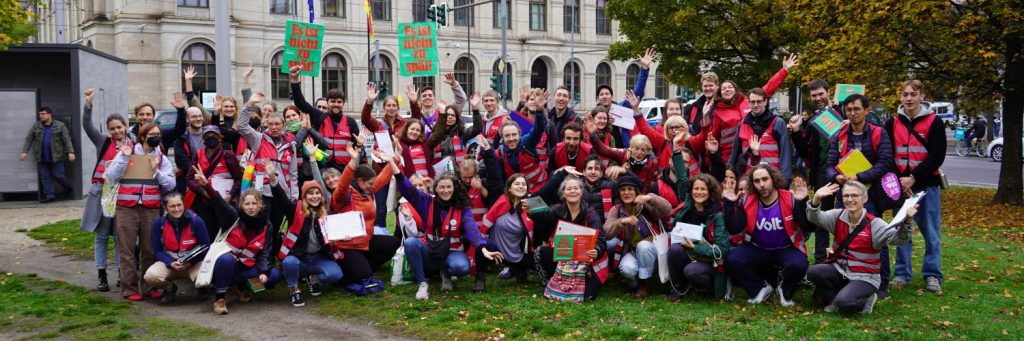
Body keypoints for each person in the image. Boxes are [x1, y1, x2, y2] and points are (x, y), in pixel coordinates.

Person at [389, 156, 500, 300]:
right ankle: (423, 284)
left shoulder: (462, 207)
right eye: (441, 187)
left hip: (453, 252)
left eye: (449, 187)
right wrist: (392, 163)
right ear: (435, 188)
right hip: (431, 250)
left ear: (454, 188)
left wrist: (483, 248)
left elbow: (471, 229)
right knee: (410, 243)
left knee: (461, 267)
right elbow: (406, 188)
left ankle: (446, 273)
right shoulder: (426, 202)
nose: (445, 190)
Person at [806, 181, 916, 314]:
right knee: (813, 272)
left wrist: (908, 221)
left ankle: (866, 299)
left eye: (854, 196)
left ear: (865, 198)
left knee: (844, 303)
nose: (850, 199)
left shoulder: (875, 224)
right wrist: (816, 198)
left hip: (865, 276)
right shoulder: (837, 216)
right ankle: (841, 295)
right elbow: (815, 218)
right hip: (840, 270)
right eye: (846, 196)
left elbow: (899, 239)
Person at [825, 94, 896, 296]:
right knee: (842, 236)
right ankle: (844, 276)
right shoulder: (839, 135)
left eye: (857, 109)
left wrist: (859, 176)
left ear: (866, 110)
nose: (853, 113)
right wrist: (835, 177)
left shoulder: (878, 133)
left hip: (869, 196)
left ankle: (881, 284)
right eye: (849, 110)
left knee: (876, 238)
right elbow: (829, 164)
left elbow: (885, 163)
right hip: (844, 195)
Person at [884, 80, 946, 294]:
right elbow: (887, 154)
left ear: (921, 95)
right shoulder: (892, 123)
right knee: (902, 230)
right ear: (900, 97)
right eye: (905, 94)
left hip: (927, 185)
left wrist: (913, 178)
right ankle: (902, 273)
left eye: (913, 94)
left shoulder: (935, 122)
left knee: (931, 232)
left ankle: (932, 275)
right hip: (901, 187)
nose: (909, 98)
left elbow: (937, 157)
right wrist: (902, 181)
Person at [105, 123, 177, 301]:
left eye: (158, 134)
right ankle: (129, 289)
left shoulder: (161, 157)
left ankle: (148, 287)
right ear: (143, 136)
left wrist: (157, 172)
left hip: (150, 209)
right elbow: (111, 175)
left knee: (149, 249)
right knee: (127, 250)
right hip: (127, 208)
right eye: (153, 134)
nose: (157, 137)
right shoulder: (128, 151)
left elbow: (170, 184)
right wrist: (124, 158)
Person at [722, 165, 811, 306]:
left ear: (773, 179)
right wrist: (728, 202)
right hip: (759, 248)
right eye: (757, 181)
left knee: (799, 264)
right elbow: (734, 229)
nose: (761, 185)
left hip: (786, 248)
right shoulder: (747, 200)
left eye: (765, 179)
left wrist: (803, 202)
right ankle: (760, 288)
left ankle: (784, 290)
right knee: (732, 259)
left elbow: (809, 227)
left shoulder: (789, 197)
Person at [270, 165, 345, 307]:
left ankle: (314, 276)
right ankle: (294, 288)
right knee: (289, 263)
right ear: (304, 196)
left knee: (335, 275)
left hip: (318, 258)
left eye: (317, 193)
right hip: (299, 258)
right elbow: (281, 198)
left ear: (322, 196)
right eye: (310, 193)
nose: (314, 196)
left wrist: (344, 236)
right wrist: (273, 178)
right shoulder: (295, 210)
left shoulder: (326, 214)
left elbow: (336, 233)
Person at [789, 79, 845, 265]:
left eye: (821, 94)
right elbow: (806, 152)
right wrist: (796, 132)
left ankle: (845, 258)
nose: (818, 98)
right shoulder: (814, 120)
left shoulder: (843, 112)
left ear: (828, 92)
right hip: (822, 175)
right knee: (822, 219)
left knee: (847, 218)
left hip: (847, 173)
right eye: (814, 95)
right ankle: (821, 260)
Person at [330, 144, 401, 287]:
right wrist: (353, 162)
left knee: (394, 243)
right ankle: (343, 273)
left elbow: (384, 177)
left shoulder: (367, 191)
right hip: (347, 246)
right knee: (363, 275)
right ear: (360, 181)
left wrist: (396, 157)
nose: (372, 185)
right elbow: (343, 183)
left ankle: (364, 265)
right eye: (370, 183)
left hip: (365, 242)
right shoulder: (343, 195)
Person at [80, 88, 129, 292]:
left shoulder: (132, 144)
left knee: (119, 236)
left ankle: (120, 272)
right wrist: (88, 105)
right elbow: (87, 126)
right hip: (102, 194)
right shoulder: (103, 142)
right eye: (112, 128)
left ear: (125, 127)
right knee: (101, 236)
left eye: (119, 127)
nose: (116, 131)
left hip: (123, 194)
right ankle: (102, 275)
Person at [204, 188, 282, 315]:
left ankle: (245, 288)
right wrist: (206, 185)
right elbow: (219, 203)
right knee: (226, 259)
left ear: (260, 205)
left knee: (274, 276)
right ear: (241, 205)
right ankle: (220, 298)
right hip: (227, 266)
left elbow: (266, 253)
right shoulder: (233, 218)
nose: (251, 207)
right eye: (247, 204)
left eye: (254, 203)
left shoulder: (267, 225)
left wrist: (263, 272)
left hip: (248, 269)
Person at [530, 175, 608, 301]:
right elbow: (536, 205)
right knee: (541, 252)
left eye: (576, 188)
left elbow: (601, 239)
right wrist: (559, 174)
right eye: (569, 189)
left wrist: (597, 250)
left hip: (586, 263)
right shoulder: (557, 210)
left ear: (581, 192)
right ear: (563, 194)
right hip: (563, 259)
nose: (572, 191)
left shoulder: (591, 214)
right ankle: (551, 282)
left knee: (587, 296)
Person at [666, 150, 731, 301]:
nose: (699, 192)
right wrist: (676, 151)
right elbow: (682, 178)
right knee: (674, 249)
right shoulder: (688, 205)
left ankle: (706, 287)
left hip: (708, 260)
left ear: (710, 192)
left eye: (703, 189)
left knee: (691, 271)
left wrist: (695, 248)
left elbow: (722, 250)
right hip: (687, 253)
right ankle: (678, 288)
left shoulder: (717, 215)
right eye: (696, 188)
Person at [603, 174, 672, 298]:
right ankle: (637, 282)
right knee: (626, 269)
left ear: (636, 191)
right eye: (623, 190)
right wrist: (621, 222)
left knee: (644, 246)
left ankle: (645, 284)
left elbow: (667, 209)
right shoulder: (617, 209)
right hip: (632, 251)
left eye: (630, 189)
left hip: (653, 251)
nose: (626, 193)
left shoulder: (646, 204)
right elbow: (606, 232)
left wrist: (649, 197)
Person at [143, 193, 210, 305]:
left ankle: (201, 288)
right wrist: (170, 263)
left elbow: (206, 246)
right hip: (171, 263)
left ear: (184, 205)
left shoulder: (196, 221)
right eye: (172, 206)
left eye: (179, 205)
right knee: (150, 276)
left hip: (192, 263)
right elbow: (157, 251)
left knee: (208, 273)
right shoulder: (158, 224)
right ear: (165, 208)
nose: (177, 209)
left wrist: (189, 263)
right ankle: (170, 289)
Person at [289, 65, 360, 170]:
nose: (336, 104)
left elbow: (356, 147)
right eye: (333, 101)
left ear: (343, 103)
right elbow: (300, 103)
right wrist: (295, 80)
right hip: (323, 167)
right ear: (328, 103)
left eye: (339, 102)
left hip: (345, 168)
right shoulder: (319, 117)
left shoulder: (351, 122)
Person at [476, 174, 535, 292]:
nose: (521, 186)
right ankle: (479, 279)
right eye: (517, 184)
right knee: (482, 243)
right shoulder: (501, 202)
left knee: (542, 265)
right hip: (496, 251)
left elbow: (547, 218)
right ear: (509, 188)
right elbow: (483, 227)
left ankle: (517, 270)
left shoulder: (531, 205)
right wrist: (479, 245)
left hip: (518, 254)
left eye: (524, 184)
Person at [185, 126, 242, 241]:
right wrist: (202, 191)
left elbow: (238, 179)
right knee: (206, 233)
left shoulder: (228, 155)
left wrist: (230, 195)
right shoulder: (198, 154)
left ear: (220, 138)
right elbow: (189, 179)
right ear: (203, 139)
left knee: (225, 233)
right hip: (204, 202)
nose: (211, 138)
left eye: (214, 136)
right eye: (207, 136)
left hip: (224, 201)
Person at [730, 88, 793, 182]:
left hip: (772, 178)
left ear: (765, 101)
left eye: (759, 101)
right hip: (749, 178)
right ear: (749, 102)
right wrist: (729, 173)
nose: (755, 105)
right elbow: (734, 153)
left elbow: (785, 153)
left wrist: (786, 180)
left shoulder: (777, 123)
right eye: (752, 102)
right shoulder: (742, 124)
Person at [493, 90, 549, 193]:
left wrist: (539, 110)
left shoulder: (527, 143)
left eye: (514, 134)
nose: (511, 138)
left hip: (538, 189)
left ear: (520, 134)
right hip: (516, 193)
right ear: (503, 138)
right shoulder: (500, 153)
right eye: (507, 136)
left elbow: (538, 129)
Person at [20, 106, 75, 203]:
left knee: (58, 175)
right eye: (40, 114)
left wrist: (70, 152)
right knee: (45, 176)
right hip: (41, 156)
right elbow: (29, 139)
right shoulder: (36, 126)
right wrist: (25, 152)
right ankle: (50, 195)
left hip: (57, 156)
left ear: (49, 114)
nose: (41, 116)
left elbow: (66, 140)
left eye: (43, 114)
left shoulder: (60, 125)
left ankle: (67, 188)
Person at [428, 97, 482, 165]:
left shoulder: (461, 133)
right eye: (447, 115)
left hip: (459, 173)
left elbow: (478, 129)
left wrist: (475, 110)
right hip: (440, 174)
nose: (450, 117)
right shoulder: (435, 136)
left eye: (453, 115)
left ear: (456, 119)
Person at [172, 106, 207, 193]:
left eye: (200, 116)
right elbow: (182, 162)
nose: (198, 119)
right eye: (194, 116)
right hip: (188, 183)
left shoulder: (210, 134)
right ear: (187, 119)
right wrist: (199, 172)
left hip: (209, 179)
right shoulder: (180, 138)